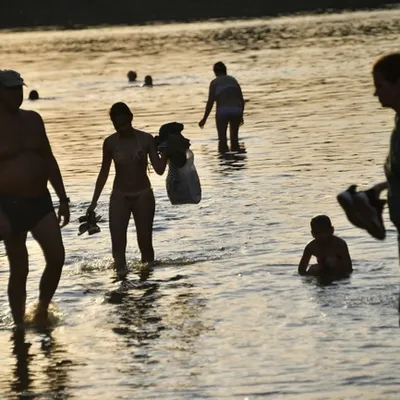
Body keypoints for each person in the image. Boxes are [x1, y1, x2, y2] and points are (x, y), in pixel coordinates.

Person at [0, 70, 70, 328]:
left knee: (57, 256)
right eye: (10, 89)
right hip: (8, 204)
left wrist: (63, 199)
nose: (17, 94)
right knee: (20, 268)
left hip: (40, 201)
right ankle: (19, 325)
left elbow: (49, 159)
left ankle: (41, 309)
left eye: (20, 88)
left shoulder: (33, 119)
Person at [87, 102, 167, 277]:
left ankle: (147, 281)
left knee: (145, 243)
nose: (121, 128)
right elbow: (103, 173)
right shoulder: (110, 143)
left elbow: (160, 169)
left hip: (143, 195)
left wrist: (167, 151)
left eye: (124, 124)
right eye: (117, 125)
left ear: (131, 118)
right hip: (119, 197)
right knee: (117, 244)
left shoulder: (145, 139)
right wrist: (93, 203)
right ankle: (121, 281)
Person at [198, 62, 245, 152]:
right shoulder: (233, 80)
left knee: (222, 139)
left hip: (222, 111)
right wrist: (241, 114)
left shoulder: (214, 82)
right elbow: (241, 99)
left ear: (215, 72)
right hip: (236, 110)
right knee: (234, 138)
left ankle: (224, 160)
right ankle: (236, 158)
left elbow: (210, 102)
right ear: (225, 70)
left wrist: (204, 119)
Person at [298, 215, 353, 281]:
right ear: (312, 234)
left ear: (331, 230)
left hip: (338, 272)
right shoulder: (311, 247)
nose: (321, 236)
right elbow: (301, 270)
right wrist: (309, 277)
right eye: (317, 233)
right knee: (314, 269)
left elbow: (348, 268)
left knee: (332, 261)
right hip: (321, 271)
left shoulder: (339, 244)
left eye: (324, 232)